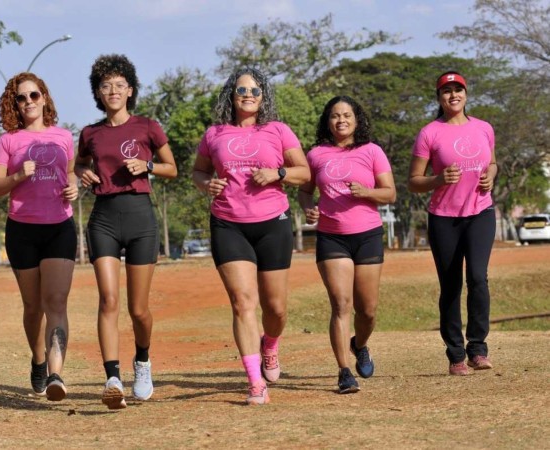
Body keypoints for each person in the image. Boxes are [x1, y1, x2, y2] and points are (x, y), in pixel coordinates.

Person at [192, 67, 310, 405]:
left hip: (272, 223)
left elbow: (304, 173)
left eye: (255, 91)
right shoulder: (214, 133)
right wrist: (205, 184)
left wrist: (279, 173)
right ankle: (255, 381)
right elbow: (199, 171)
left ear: (264, 97)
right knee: (243, 302)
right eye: (242, 90)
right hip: (228, 223)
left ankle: (270, 343)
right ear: (231, 94)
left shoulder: (277, 130)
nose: (248, 95)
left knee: (275, 307)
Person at [75, 54, 177, 410]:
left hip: (140, 219)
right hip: (103, 217)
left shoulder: (148, 126)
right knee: (108, 300)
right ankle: (112, 377)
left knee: (138, 309)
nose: (113, 91)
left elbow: (172, 167)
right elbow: (80, 166)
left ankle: (143, 362)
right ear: (98, 93)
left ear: (130, 90)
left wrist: (147, 165)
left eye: (120, 85)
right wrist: (83, 175)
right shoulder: (90, 133)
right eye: (106, 86)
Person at [297, 96, 396, 394]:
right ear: (328, 121)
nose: (341, 120)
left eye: (347, 115)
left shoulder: (372, 151)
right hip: (331, 236)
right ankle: (343, 372)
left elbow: (390, 193)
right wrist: (308, 206)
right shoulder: (315, 155)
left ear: (357, 120)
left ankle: (360, 345)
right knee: (341, 304)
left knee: (367, 310)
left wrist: (366, 192)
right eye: (335, 116)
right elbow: (304, 191)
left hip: (367, 235)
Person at [0, 73, 78, 401]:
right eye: (22, 98)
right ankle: (38, 359)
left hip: (59, 227)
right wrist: (16, 175)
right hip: (22, 230)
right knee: (32, 306)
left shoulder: (64, 136)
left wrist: (74, 186)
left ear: (44, 97)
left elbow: (68, 172)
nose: (29, 102)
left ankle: (55, 373)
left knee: (55, 302)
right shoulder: (7, 141)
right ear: (15, 103)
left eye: (34, 95)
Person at [408, 71, 497, 376]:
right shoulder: (429, 133)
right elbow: (413, 182)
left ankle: (478, 349)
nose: (453, 95)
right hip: (444, 218)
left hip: (480, 212)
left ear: (466, 94)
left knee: (478, 278)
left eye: (458, 89)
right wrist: (437, 179)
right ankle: (456, 355)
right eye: (446, 91)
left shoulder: (484, 128)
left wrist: (492, 174)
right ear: (439, 98)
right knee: (450, 285)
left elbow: (493, 161)